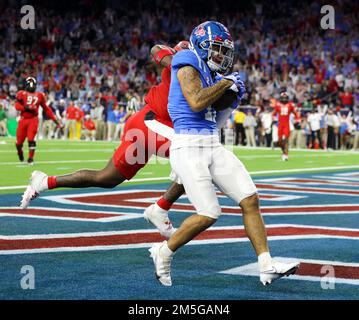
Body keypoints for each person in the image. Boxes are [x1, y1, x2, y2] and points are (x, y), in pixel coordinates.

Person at [148, 21, 299, 287]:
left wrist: (231, 97)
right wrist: (226, 83)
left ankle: (266, 265)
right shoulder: (186, 60)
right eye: (217, 49)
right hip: (188, 145)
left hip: (211, 143)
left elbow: (216, 112)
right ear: (202, 45)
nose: (222, 56)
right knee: (209, 212)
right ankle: (164, 251)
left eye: (224, 50)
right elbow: (195, 101)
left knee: (250, 199)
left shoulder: (209, 71)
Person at [20, 42, 190, 239]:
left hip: (153, 126)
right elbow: (156, 49)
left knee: (107, 179)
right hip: (149, 124)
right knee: (197, 156)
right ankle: (161, 208)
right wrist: (178, 63)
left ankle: (44, 182)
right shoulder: (182, 65)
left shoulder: (202, 75)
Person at [15, 77, 62, 164]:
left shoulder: (40, 95)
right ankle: (20, 152)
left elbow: (47, 109)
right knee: (18, 143)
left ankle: (30, 158)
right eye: (30, 84)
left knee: (31, 139)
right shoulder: (21, 93)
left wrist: (55, 120)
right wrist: (26, 107)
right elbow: (16, 106)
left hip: (33, 119)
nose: (31, 86)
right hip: (23, 119)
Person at [272, 92, 298, 161]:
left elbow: (295, 113)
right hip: (280, 124)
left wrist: (297, 120)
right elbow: (273, 114)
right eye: (283, 98)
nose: (284, 99)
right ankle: (283, 151)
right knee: (280, 141)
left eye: (285, 98)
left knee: (286, 140)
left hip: (286, 124)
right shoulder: (278, 105)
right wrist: (274, 119)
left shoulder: (290, 105)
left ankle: (285, 154)